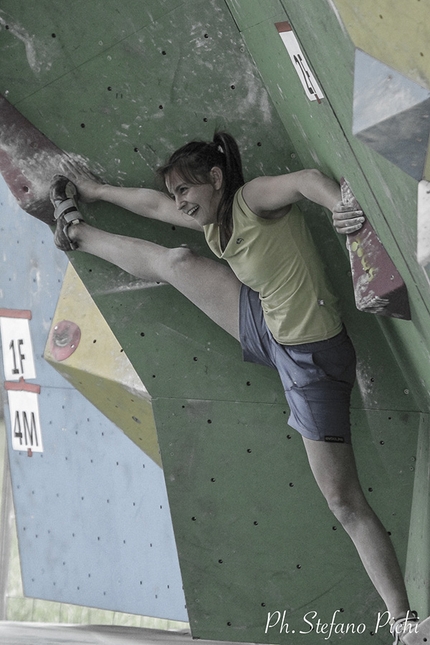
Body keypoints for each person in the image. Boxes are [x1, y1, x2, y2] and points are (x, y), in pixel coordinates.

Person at [51, 131, 419, 644]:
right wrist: (94, 190)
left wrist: (341, 209)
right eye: (178, 195)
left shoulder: (251, 200)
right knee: (176, 262)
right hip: (268, 327)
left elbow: (307, 181)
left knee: (342, 500)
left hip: (314, 362)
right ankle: (76, 232)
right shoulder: (212, 223)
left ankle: (404, 624)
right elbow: (152, 204)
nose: (179, 201)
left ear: (217, 180)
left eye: (187, 190)